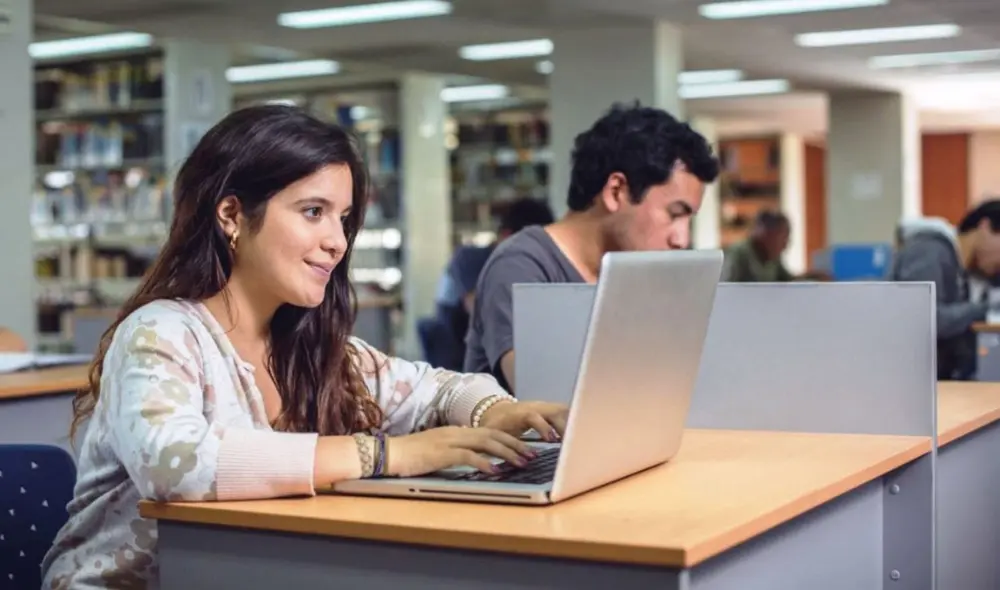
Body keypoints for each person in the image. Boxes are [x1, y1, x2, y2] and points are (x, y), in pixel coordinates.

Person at [41, 105, 568, 589]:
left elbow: (436, 388)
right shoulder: (160, 332)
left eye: (342, 218)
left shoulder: (310, 344)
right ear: (230, 215)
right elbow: (175, 466)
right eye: (313, 211)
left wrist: (497, 411)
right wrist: (385, 455)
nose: (337, 240)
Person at [463, 102, 720, 392]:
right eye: (675, 214)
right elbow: (547, 398)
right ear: (616, 191)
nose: (682, 239)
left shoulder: (633, 276)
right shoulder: (520, 266)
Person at [421, 198, 555, 370]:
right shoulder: (469, 258)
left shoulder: (525, 268)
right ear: (507, 236)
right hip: (459, 355)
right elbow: (481, 310)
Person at [889, 200, 1000, 380]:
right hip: (911, 380)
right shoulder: (929, 251)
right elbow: (924, 319)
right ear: (985, 227)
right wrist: (985, 308)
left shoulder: (965, 268)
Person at [721, 210, 794, 282]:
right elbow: (725, 288)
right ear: (767, 234)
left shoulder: (773, 259)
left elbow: (788, 282)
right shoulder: (738, 256)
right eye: (783, 238)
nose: (785, 245)